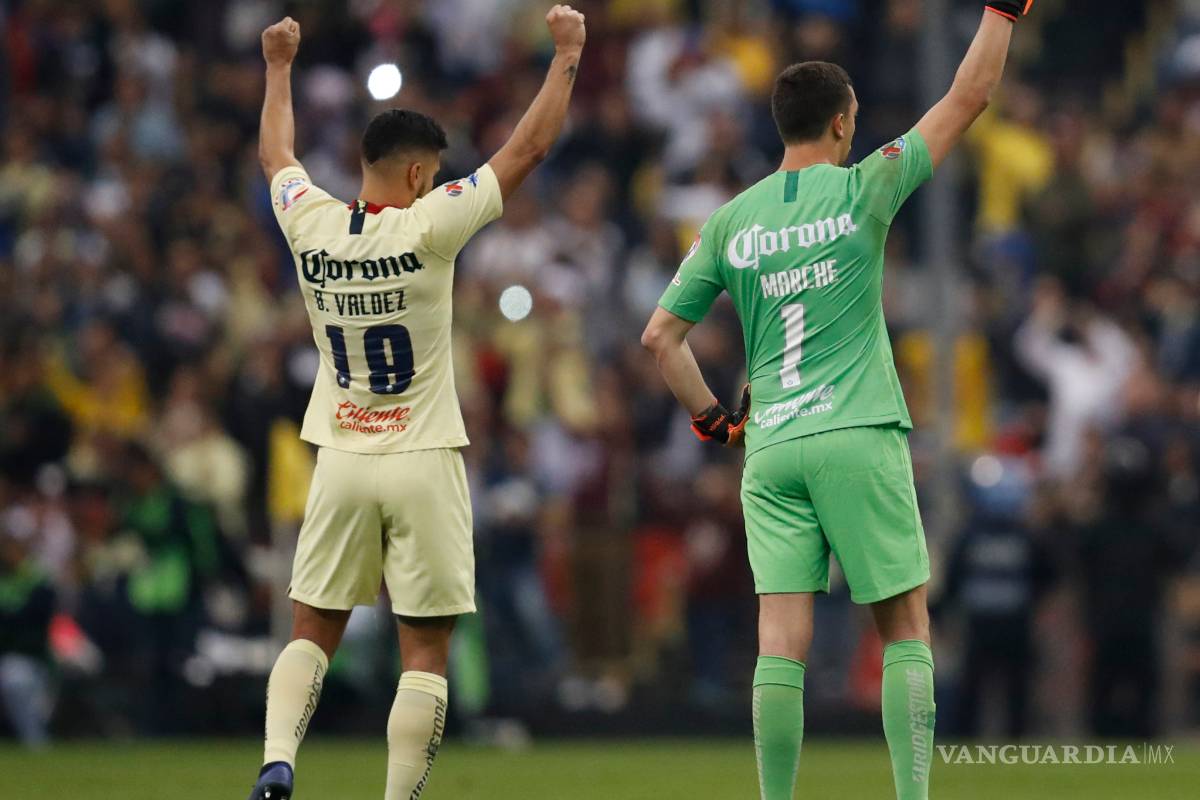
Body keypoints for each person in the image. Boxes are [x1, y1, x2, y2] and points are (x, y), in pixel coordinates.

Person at [639, 2, 1034, 798]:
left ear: (781, 124)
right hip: (856, 431)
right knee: (904, 626)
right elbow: (969, 95)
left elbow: (659, 338)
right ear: (845, 123)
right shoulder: (864, 187)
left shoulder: (727, 222)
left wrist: (716, 418)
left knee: (780, 641)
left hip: (773, 447)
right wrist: (1001, 10)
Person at [248, 7, 586, 800]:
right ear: (414, 175)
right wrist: (567, 53)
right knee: (425, 651)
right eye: (431, 174)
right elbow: (529, 148)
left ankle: (277, 761)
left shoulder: (313, 227)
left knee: (312, 631)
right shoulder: (431, 228)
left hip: (339, 456)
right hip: (424, 455)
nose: (434, 183)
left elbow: (275, 154)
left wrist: (277, 66)